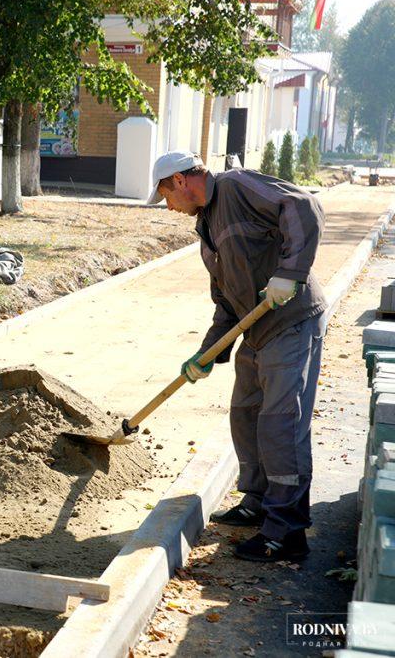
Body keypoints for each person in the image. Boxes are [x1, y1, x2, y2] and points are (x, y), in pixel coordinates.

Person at [147, 151, 327, 562]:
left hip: (292, 320)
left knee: (281, 423)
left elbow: (304, 206)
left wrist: (291, 273)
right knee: (245, 411)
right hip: (257, 329)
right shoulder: (206, 228)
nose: (169, 207)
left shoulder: (236, 186)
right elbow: (226, 302)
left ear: (180, 180)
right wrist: (207, 352)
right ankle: (259, 501)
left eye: (166, 196)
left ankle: (286, 532)